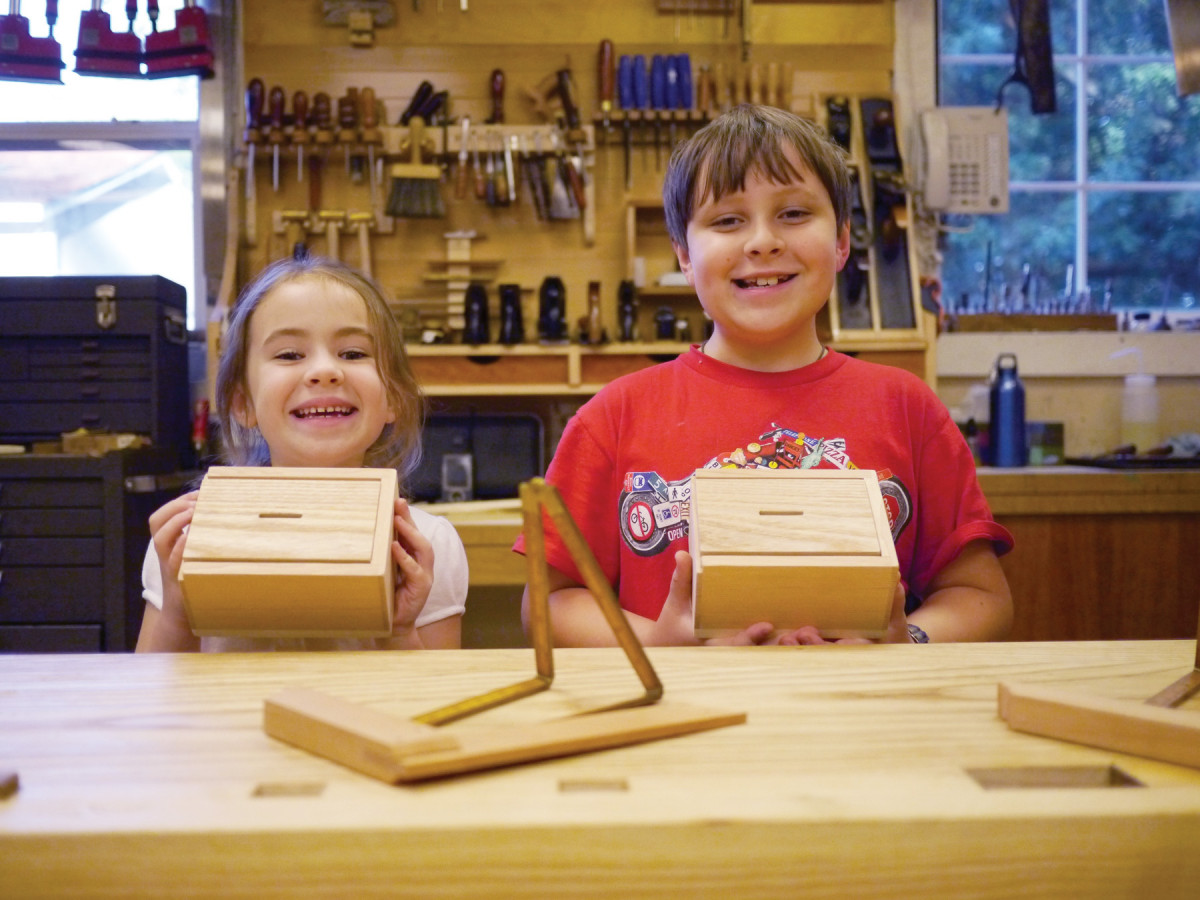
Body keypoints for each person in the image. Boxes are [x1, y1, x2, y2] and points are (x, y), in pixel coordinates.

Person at [516, 104, 1013, 647]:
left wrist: (908, 640)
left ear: (843, 240)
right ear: (684, 255)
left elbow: (979, 596)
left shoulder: (908, 409)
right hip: (682, 723)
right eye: (728, 220)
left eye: (794, 214)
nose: (762, 242)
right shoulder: (613, 418)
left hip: (866, 721)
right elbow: (551, 598)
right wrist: (658, 646)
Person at [136, 256, 467, 652]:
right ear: (243, 403)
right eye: (290, 355)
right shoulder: (184, 543)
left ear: (393, 397)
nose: (325, 371)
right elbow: (157, 696)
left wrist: (399, 629)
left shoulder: (424, 547)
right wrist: (177, 608)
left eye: (353, 353)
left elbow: (431, 704)